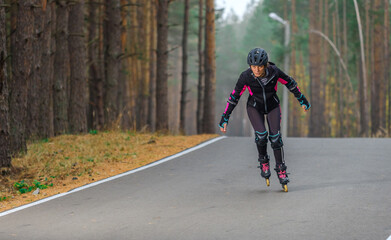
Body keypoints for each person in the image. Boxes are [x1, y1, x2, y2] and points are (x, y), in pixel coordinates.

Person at [218, 48, 310, 191]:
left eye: (260, 66)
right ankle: (263, 160)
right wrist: (225, 117)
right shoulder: (245, 77)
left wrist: (301, 99)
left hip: (273, 105)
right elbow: (234, 97)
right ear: (249, 66)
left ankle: (281, 169)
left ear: (265, 65)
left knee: (275, 138)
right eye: (253, 66)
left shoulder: (274, 71)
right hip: (254, 107)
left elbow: (290, 83)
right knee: (261, 136)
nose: (256, 69)